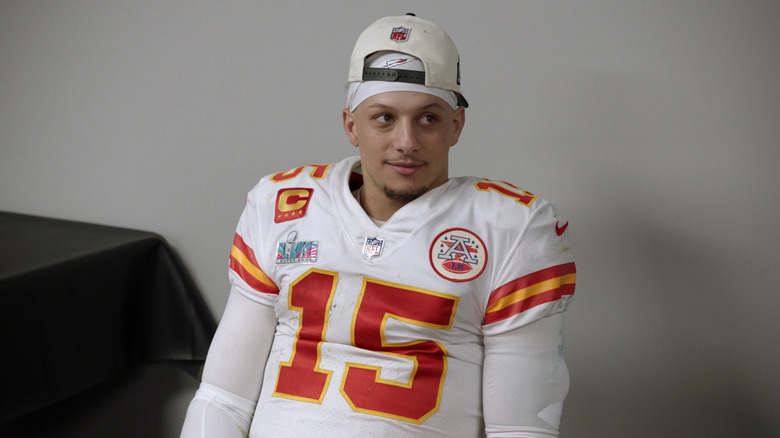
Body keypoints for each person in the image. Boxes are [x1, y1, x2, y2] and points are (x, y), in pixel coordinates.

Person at [180, 13, 576, 438]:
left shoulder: (512, 227)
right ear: (352, 125)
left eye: (427, 118)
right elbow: (222, 398)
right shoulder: (280, 205)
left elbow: (520, 430)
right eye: (384, 118)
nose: (406, 141)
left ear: (455, 126)